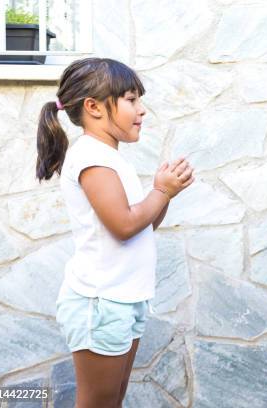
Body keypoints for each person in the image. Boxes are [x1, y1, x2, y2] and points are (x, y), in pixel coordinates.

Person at [36, 57, 193, 408]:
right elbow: (124, 226)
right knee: (98, 402)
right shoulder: (93, 158)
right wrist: (162, 191)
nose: (142, 110)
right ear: (93, 107)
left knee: (112, 400)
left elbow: (142, 224)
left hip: (122, 298)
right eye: (131, 99)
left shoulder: (108, 157)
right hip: (100, 302)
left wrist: (162, 191)